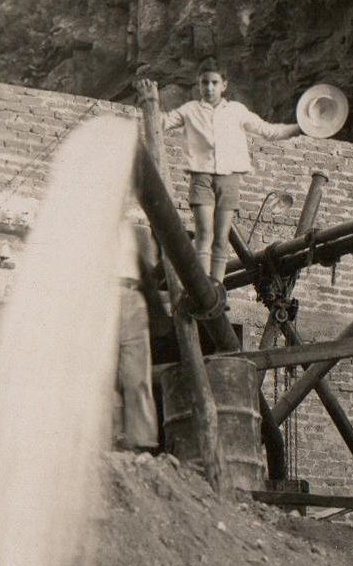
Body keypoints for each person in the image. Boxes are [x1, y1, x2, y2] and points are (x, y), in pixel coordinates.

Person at [149, 63, 302, 284]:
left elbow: (269, 131)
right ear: (199, 84)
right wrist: (150, 102)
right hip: (201, 178)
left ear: (224, 85)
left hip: (228, 180)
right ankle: (202, 285)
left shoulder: (237, 111)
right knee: (204, 234)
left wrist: (300, 127)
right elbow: (160, 122)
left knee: (221, 238)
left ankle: (217, 285)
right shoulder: (190, 110)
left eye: (214, 83)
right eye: (205, 83)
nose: (209, 88)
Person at [114, 210, 160, 452]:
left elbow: (150, 271)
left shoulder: (138, 232)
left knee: (137, 373)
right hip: (103, 295)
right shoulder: (92, 229)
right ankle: (108, 437)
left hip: (133, 297)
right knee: (105, 372)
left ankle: (142, 441)